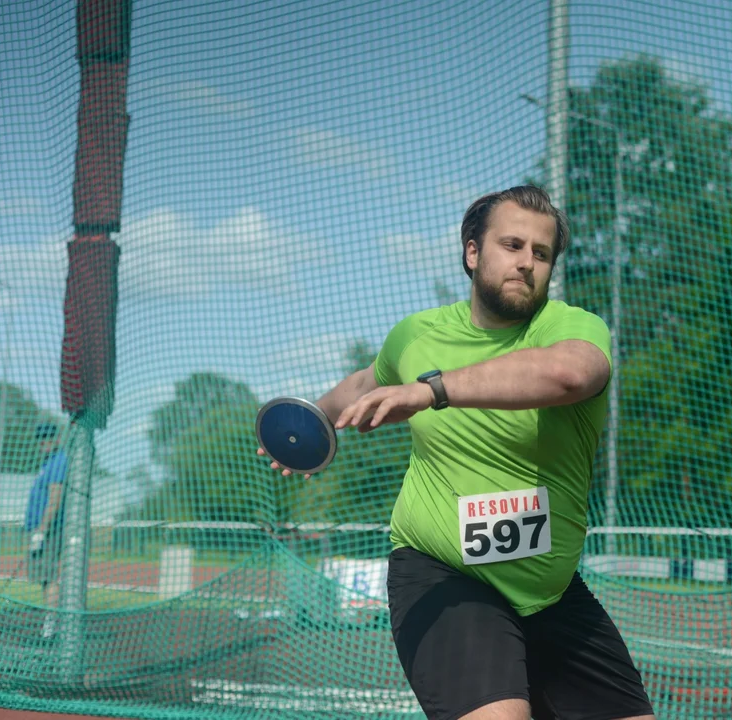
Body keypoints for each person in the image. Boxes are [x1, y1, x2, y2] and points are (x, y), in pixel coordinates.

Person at [260, 185, 655, 720]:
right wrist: (311, 424)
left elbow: (569, 375)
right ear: (473, 252)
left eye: (540, 254)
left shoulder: (571, 328)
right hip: (444, 574)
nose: (526, 263)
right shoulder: (416, 336)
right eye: (511, 245)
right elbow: (364, 384)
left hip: (550, 591)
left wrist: (431, 390)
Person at [24, 422, 68, 638]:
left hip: (49, 530)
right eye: (41, 438)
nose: (44, 442)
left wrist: (42, 529)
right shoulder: (47, 462)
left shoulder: (59, 461)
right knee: (43, 577)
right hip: (39, 529)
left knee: (49, 576)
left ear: (56, 439)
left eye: (48, 438)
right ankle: (49, 624)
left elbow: (55, 497)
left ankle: (51, 626)